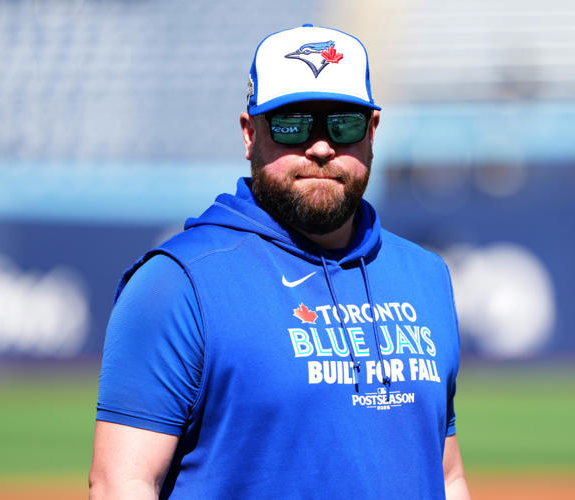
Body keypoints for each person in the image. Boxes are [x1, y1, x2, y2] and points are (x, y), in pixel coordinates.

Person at [89, 24, 470, 499]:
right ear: (250, 134)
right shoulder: (178, 284)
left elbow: (446, 475)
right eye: (292, 124)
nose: (321, 146)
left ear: (372, 131)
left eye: (343, 123)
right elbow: (121, 483)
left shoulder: (425, 276)